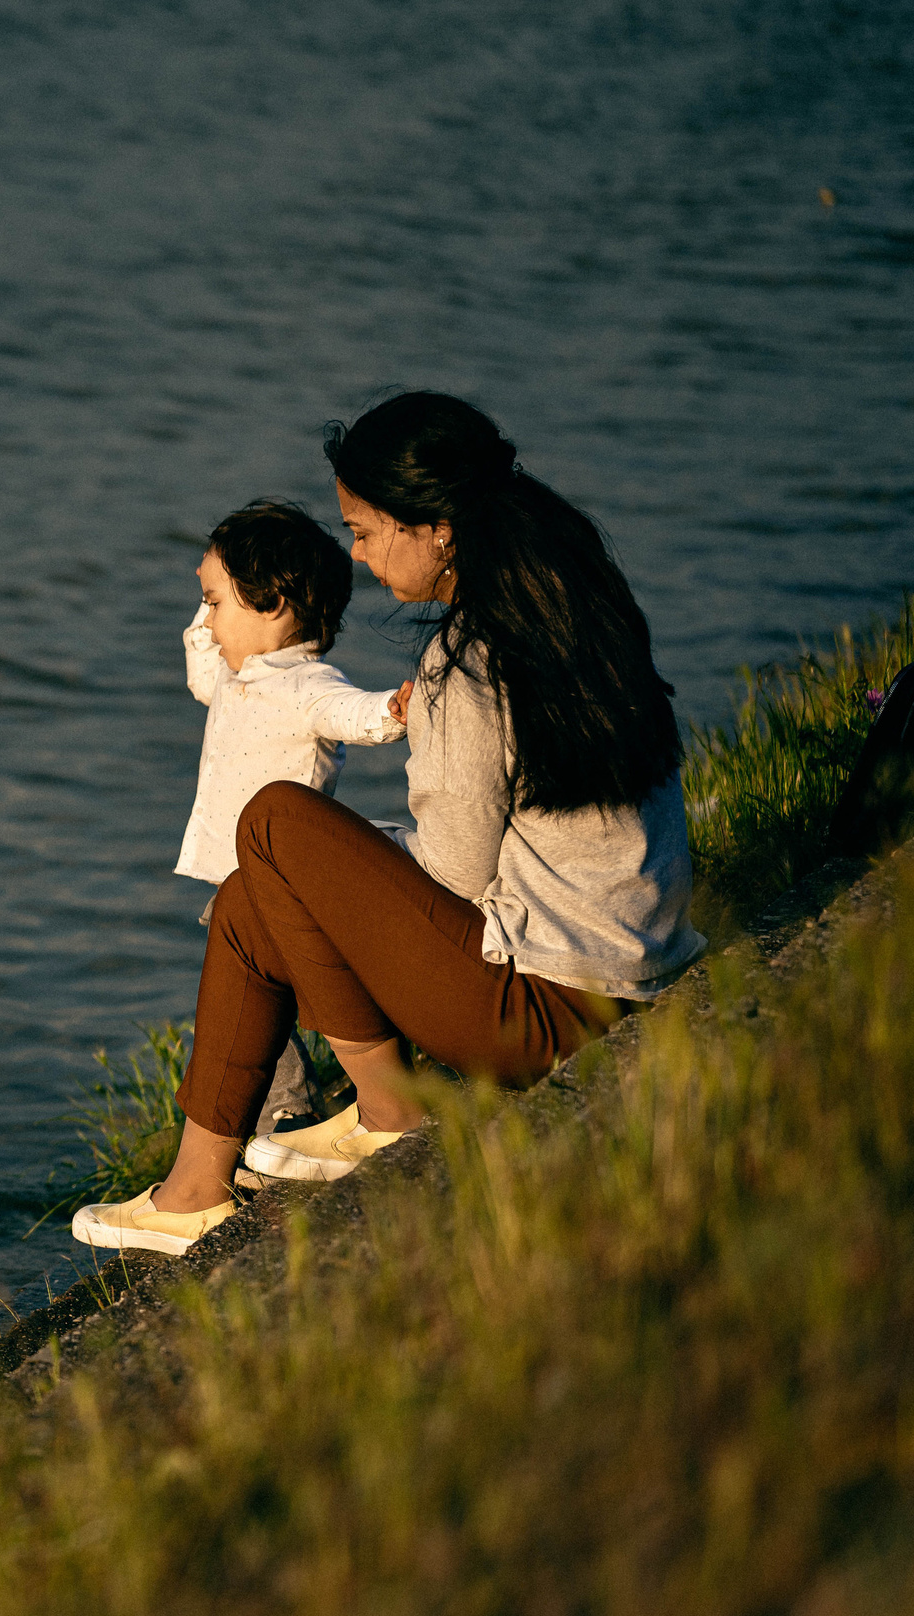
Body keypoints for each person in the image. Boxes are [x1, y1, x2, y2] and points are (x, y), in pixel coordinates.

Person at [76, 392, 706, 1256]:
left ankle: (389, 1111)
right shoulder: (572, 615)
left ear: (436, 526)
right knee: (254, 894)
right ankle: (193, 1193)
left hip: (543, 1011)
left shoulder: (470, 661)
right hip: (623, 971)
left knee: (273, 825)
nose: (357, 554)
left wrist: (336, 862)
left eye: (364, 531)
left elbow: (451, 874)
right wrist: (341, 865)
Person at [175, 500, 406, 1131]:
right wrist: (207, 599)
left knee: (264, 995)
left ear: (271, 604)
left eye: (218, 601)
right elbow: (201, 668)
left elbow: (351, 714)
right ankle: (295, 1105)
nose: (210, 620)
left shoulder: (306, 683)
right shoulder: (236, 675)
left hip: (277, 878)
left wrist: (396, 707)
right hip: (239, 877)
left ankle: (290, 1111)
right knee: (277, 993)